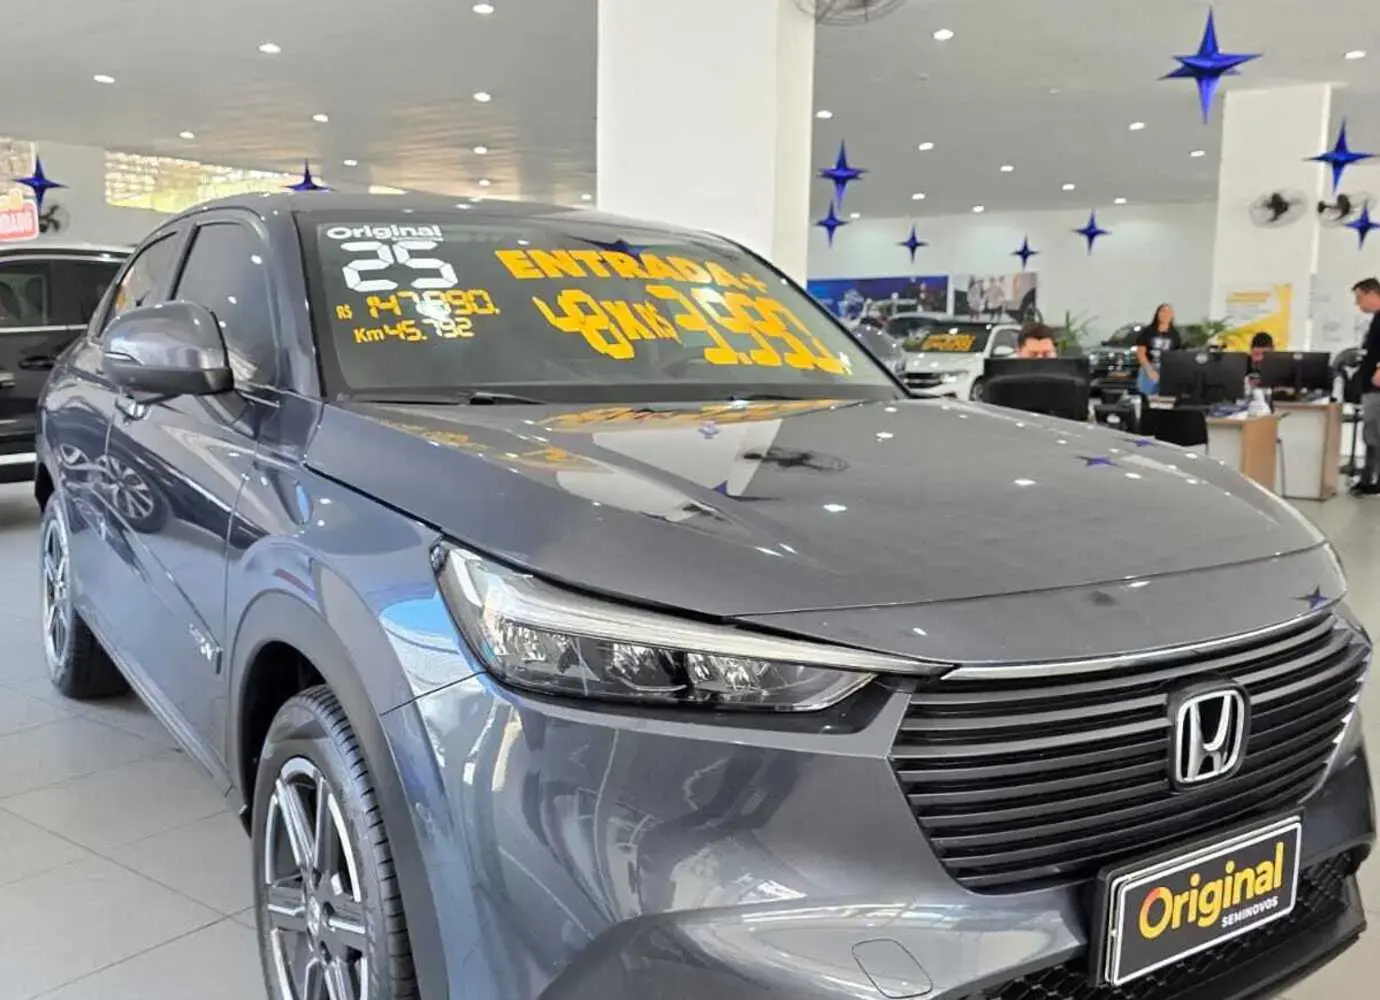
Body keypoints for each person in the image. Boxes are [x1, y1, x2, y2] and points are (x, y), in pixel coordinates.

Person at [1351, 278, 1380, 494]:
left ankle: (1374, 479)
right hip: (1370, 385)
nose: (1358, 304)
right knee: (1371, 433)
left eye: (1359, 298)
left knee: (1375, 433)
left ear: (1372, 294)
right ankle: (1368, 476)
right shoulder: (1376, 319)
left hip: (1377, 386)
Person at [1135, 303, 1183, 396]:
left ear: (1172, 315)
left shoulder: (1175, 335)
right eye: (1163, 312)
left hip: (1167, 370)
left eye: (1169, 312)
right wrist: (1149, 370)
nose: (1165, 315)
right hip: (1149, 368)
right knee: (1147, 397)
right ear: (1157, 314)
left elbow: (1177, 356)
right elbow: (1140, 353)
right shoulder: (1148, 332)